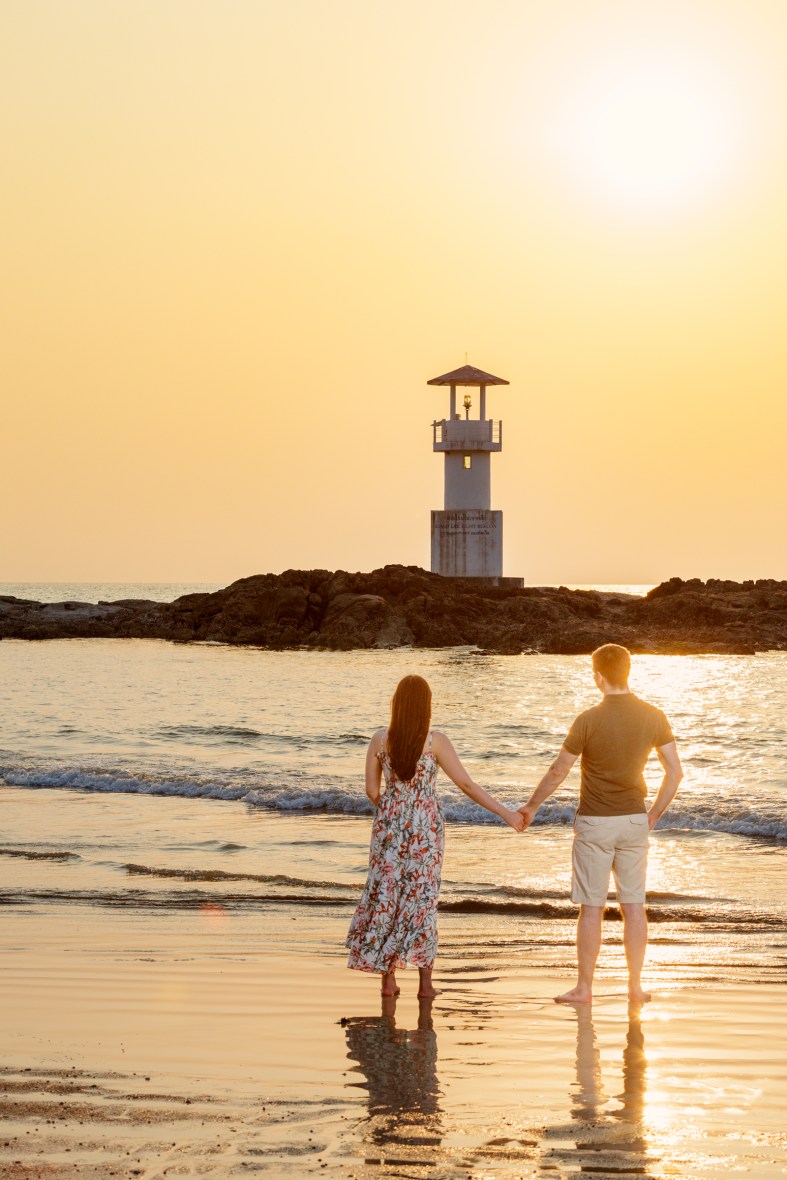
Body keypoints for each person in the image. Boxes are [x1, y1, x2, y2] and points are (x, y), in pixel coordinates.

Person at [519, 644, 683, 1005]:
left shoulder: (587, 720)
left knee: (592, 907)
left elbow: (558, 770)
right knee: (634, 905)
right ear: (628, 671)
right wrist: (652, 814)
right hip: (633, 821)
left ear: (597, 677)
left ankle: (585, 989)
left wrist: (531, 807)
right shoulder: (654, 715)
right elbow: (675, 772)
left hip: (595, 822)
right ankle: (636, 987)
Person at [346, 674, 524, 998]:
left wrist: (393, 809)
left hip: (388, 830)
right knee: (423, 901)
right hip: (426, 832)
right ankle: (425, 985)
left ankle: (388, 981)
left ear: (396, 705)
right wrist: (507, 813)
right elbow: (467, 785)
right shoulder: (435, 741)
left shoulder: (379, 740)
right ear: (426, 706)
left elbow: (372, 790)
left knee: (389, 898)